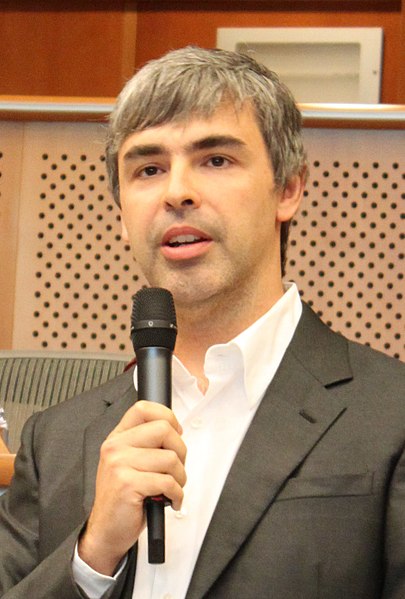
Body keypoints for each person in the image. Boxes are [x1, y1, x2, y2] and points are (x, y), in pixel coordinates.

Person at [0, 46, 404, 599]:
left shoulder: (391, 415)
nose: (176, 192)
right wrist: (91, 557)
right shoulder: (56, 442)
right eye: (148, 169)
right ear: (121, 214)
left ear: (288, 189)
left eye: (216, 160)